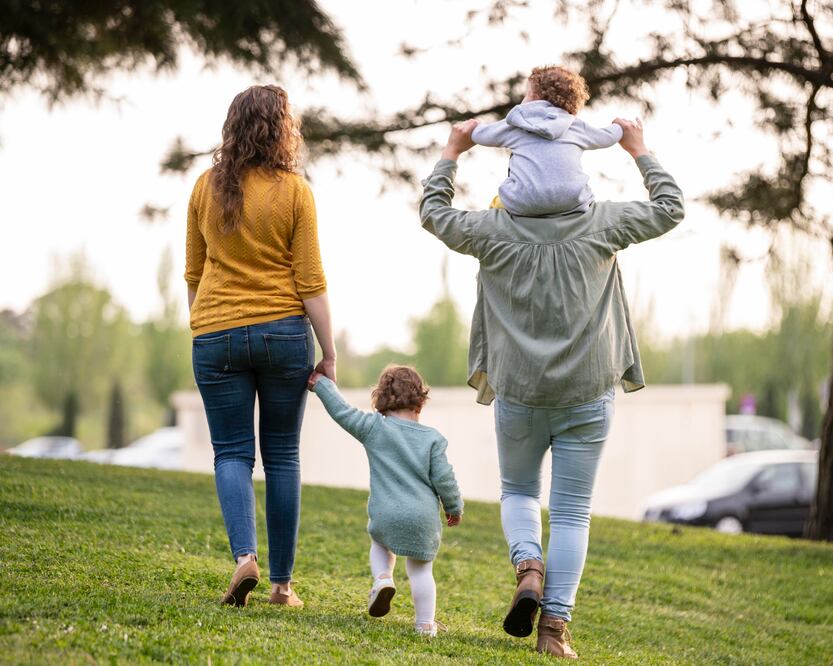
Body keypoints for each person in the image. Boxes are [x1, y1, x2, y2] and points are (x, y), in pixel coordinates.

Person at [420, 117, 684, 658]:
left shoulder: (491, 229)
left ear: (519, 165)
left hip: (519, 390)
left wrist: (453, 150)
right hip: (588, 392)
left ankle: (528, 565)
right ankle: (554, 631)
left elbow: (433, 213)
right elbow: (670, 208)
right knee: (571, 512)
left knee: (518, 491)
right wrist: (638, 150)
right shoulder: (604, 223)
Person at [184, 84, 336, 609]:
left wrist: (204, 326)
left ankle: (243, 557)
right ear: (282, 129)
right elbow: (310, 279)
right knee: (282, 456)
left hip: (215, 332)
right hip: (282, 334)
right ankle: (281, 584)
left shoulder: (205, 187)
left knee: (230, 452)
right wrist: (329, 351)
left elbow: (193, 274)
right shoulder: (294, 190)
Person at [308, 365, 463, 637]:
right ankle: (425, 624)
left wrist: (321, 385)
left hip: (386, 514)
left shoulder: (373, 427)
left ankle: (382, 579)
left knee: (380, 543)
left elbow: (342, 411)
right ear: (420, 401)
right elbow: (445, 479)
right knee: (420, 570)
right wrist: (454, 507)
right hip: (422, 519)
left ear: (381, 400)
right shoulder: (433, 439)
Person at [471, 64, 623, 216]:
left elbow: (480, 135)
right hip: (572, 200)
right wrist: (619, 127)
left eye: (526, 94)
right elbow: (607, 138)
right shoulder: (575, 126)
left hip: (523, 200)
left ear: (535, 96)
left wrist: (473, 126)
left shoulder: (517, 123)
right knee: (579, 195)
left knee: (496, 203)